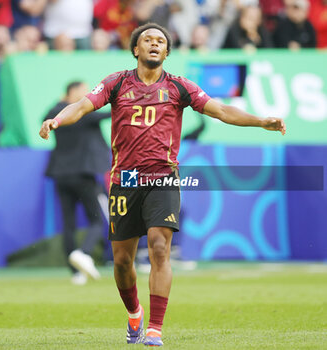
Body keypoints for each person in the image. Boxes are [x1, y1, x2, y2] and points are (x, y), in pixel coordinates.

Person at [39, 23, 286, 346]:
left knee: (159, 246)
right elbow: (83, 106)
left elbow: (222, 110)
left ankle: (154, 329)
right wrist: (57, 120)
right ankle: (134, 314)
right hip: (125, 179)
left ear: (167, 52)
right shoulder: (116, 83)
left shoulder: (180, 88)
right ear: (136, 50)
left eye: (161, 41)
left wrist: (260, 121)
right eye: (147, 40)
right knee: (123, 261)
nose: (154, 44)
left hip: (163, 176)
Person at [44, 81, 110, 285]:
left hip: (60, 175)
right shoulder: (83, 113)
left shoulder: (55, 112)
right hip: (83, 174)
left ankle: (75, 273)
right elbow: (104, 114)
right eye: (83, 91)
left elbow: (47, 117)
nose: (88, 96)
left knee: (68, 224)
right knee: (98, 220)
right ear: (72, 92)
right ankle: (84, 253)